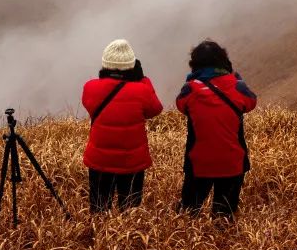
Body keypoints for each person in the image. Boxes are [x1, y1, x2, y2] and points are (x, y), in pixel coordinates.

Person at [176, 40, 257, 218]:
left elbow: (181, 106)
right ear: (223, 60)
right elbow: (251, 102)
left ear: (194, 63)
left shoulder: (190, 89)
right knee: (224, 217)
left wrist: (192, 80)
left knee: (188, 215)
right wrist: (236, 78)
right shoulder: (238, 86)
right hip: (233, 161)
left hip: (199, 163)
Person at [81, 39, 163, 213]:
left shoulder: (90, 87)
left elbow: (90, 107)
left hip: (99, 160)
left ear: (105, 64)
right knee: (130, 210)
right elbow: (155, 110)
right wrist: (143, 79)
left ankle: (100, 238)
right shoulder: (142, 90)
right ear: (131, 66)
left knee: (99, 209)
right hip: (131, 162)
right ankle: (127, 239)